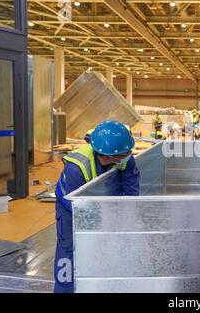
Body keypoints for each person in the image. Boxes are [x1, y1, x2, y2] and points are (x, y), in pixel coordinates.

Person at [54, 120, 140, 293]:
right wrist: (105, 219)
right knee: (69, 251)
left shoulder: (123, 156)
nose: (129, 155)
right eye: (124, 153)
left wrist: (126, 215)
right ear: (106, 156)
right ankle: (65, 290)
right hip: (70, 208)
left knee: (103, 248)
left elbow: (131, 188)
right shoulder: (77, 168)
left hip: (102, 204)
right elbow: (77, 207)